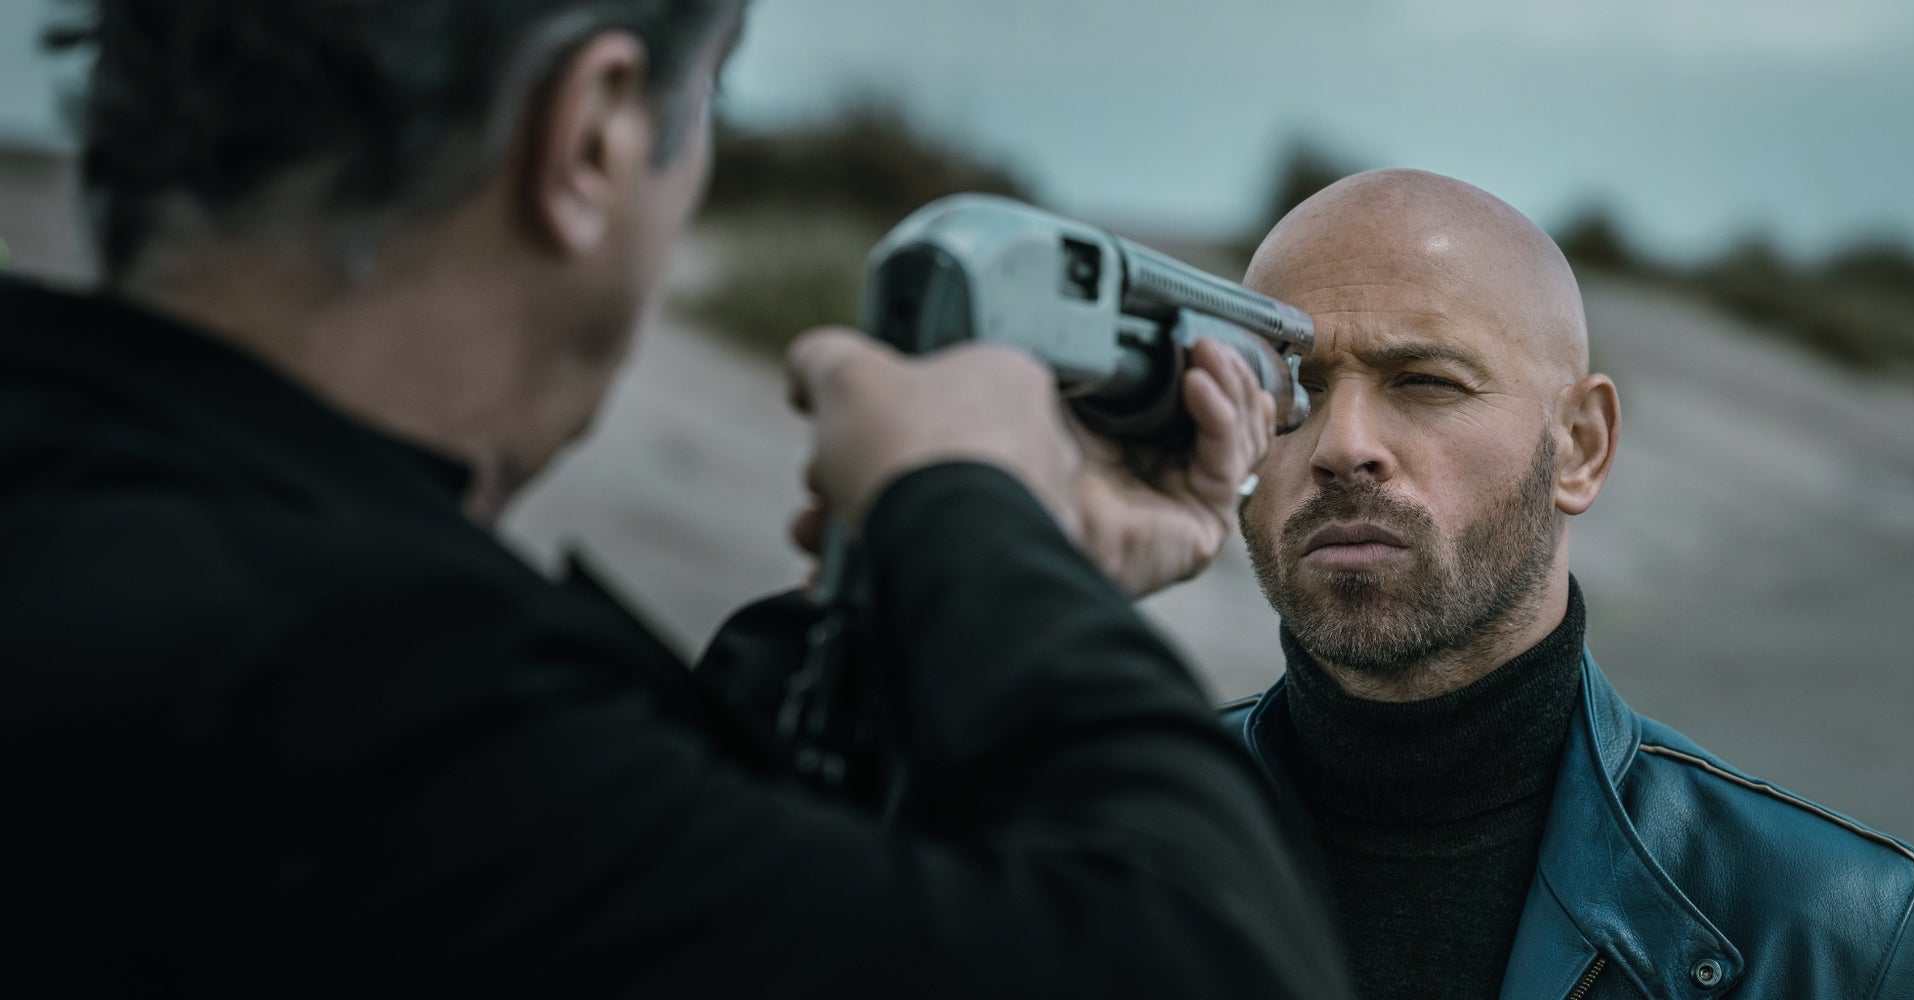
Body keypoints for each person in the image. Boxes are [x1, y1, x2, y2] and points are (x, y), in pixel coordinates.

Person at [0, 2, 1349, 996]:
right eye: (710, 102)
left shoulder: (127, 542)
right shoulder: (354, 691)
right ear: (589, 136)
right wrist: (977, 529)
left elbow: (668, 872)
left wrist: (925, 600)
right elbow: (1214, 955)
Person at [1225, 168, 1914, 998]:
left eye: (1425, 381)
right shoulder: (1091, 846)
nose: (1342, 444)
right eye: (1294, 387)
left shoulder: (1849, 935)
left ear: (1581, 446)